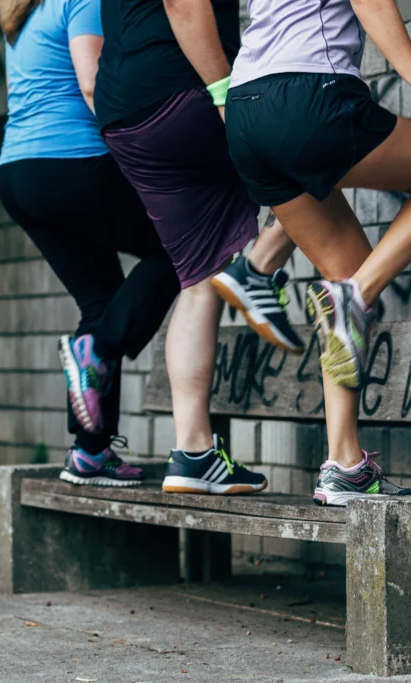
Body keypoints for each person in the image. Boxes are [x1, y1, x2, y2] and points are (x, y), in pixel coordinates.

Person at [224, 0, 411, 505]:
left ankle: (344, 464)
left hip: (244, 110)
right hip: (308, 93)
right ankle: (353, 295)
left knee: (344, 273)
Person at [94, 0, 302, 494]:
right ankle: (257, 266)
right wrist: (226, 91)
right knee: (322, 145)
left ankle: (193, 454)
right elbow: (182, 3)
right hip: (182, 91)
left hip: (125, 115)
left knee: (197, 275)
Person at [0, 0, 181, 487]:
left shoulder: (20, 14)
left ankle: (90, 453)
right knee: (183, 244)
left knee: (100, 301)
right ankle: (97, 349)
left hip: (18, 173)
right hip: (70, 162)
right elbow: (92, 82)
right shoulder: (79, 0)